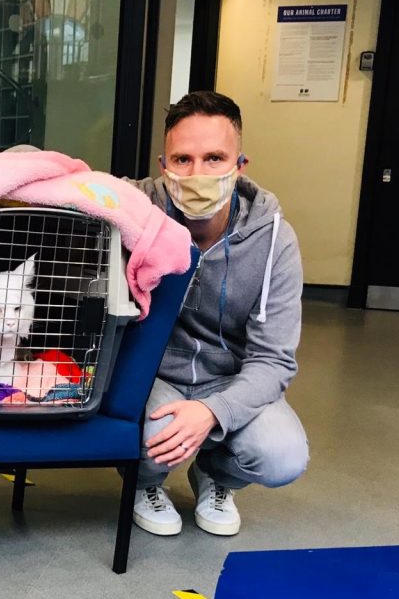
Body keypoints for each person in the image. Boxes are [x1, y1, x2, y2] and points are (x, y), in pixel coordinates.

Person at [127, 91, 308, 537]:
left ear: (239, 165)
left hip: (228, 378)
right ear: (163, 165)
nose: (197, 174)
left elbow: (274, 361)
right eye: (182, 159)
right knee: (154, 436)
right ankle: (144, 483)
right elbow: (67, 180)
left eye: (214, 158)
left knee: (282, 455)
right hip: (156, 377)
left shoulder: (276, 241)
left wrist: (213, 410)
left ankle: (216, 474)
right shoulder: (136, 209)